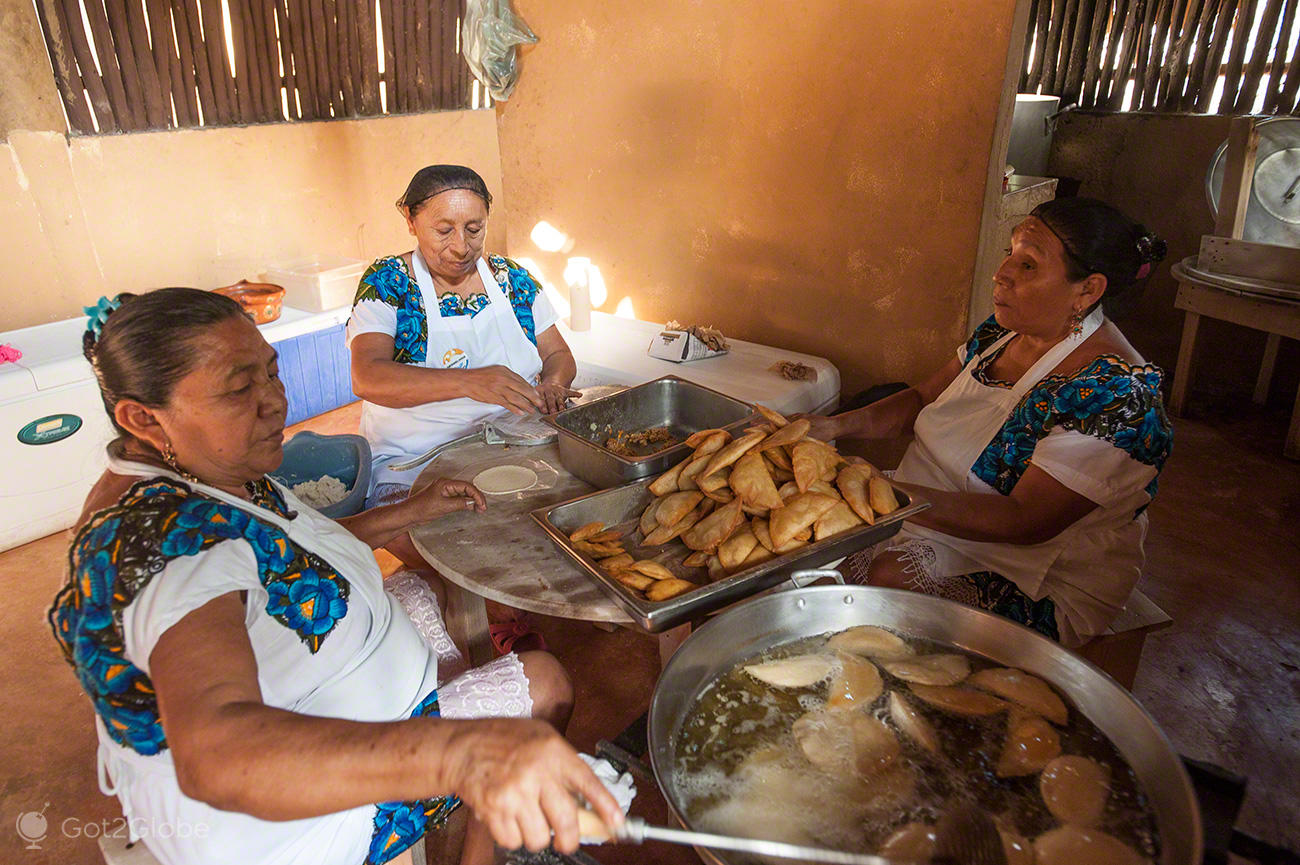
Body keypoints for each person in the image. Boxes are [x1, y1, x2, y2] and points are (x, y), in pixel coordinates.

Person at [49, 289, 622, 865]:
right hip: (288, 824)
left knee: (435, 585)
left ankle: (491, 825)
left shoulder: (201, 466)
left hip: (319, 681)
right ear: (143, 417)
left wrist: (409, 511)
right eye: (239, 388)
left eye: (271, 373)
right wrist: (467, 752)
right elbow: (218, 755)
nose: (276, 401)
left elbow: (291, 553)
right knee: (543, 683)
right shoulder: (163, 543)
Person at [806, 197, 1172, 647]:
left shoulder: (1115, 395)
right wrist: (832, 428)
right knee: (807, 549)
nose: (1002, 274)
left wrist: (882, 495)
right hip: (929, 509)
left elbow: (1026, 522)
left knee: (886, 581)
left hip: (1037, 568)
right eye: (1009, 254)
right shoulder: (1001, 334)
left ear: (1088, 289)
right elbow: (922, 398)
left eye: (1028, 265)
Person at [348, 164, 580, 507]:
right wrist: (469, 382)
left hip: (510, 448)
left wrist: (553, 385)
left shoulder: (512, 279)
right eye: (443, 230)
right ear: (411, 221)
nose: (461, 247)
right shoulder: (388, 283)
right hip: (413, 463)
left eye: (474, 229)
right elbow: (367, 377)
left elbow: (557, 355)